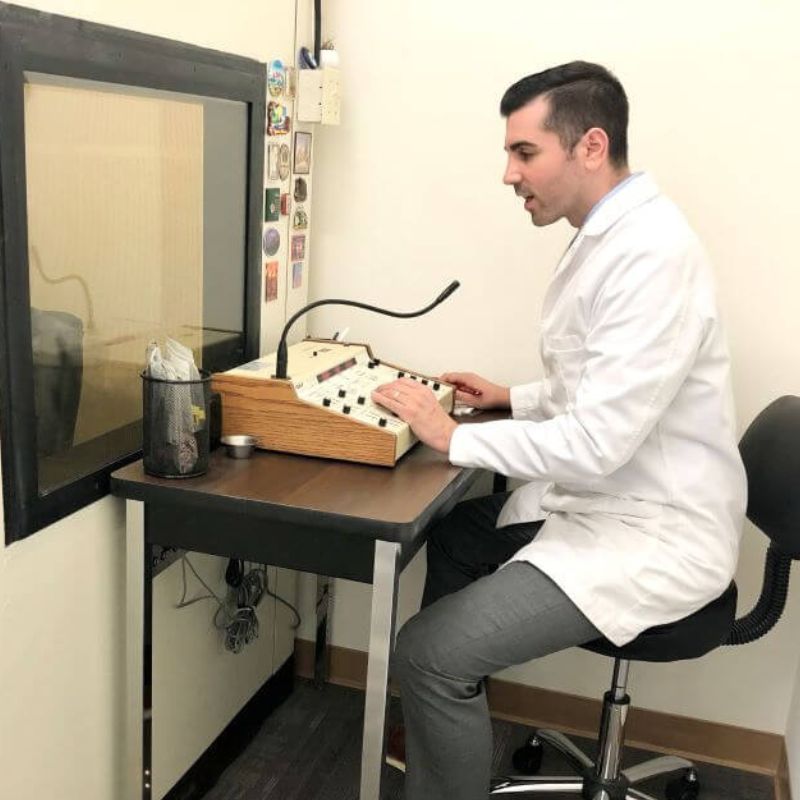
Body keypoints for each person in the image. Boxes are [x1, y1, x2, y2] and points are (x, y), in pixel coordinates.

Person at [370, 61, 746, 800]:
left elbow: (599, 440)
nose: (509, 173)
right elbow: (597, 382)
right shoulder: (608, 233)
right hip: (611, 501)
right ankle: (441, 732)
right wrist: (515, 396)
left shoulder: (651, 256)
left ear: (591, 146)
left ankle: (441, 712)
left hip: (654, 533)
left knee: (426, 652)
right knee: (456, 535)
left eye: (524, 152)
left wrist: (453, 435)